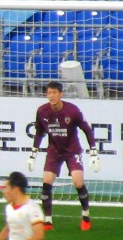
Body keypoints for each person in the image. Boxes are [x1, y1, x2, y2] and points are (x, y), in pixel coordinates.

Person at [28, 81, 98, 231]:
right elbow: (39, 133)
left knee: (78, 182)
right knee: (46, 182)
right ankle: (47, 220)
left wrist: (93, 152)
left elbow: (87, 130)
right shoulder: (42, 111)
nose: (51, 96)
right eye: (49, 93)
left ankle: (86, 215)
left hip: (72, 151)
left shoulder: (72, 111)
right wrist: (33, 154)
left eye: (54, 93)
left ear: (61, 94)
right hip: (54, 151)